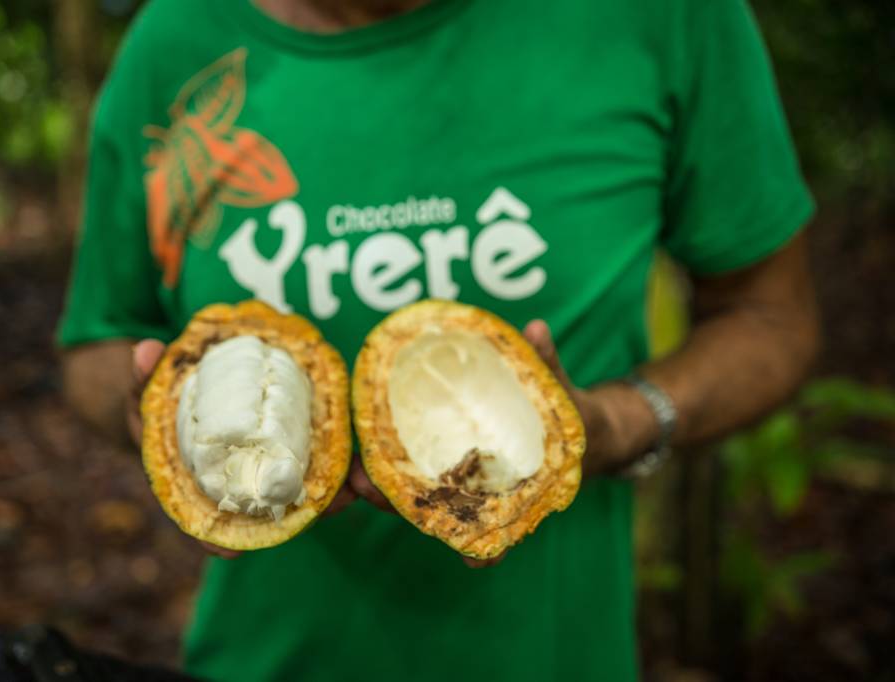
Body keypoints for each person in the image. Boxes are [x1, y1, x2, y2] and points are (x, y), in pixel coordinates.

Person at [58, 0, 820, 679]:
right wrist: (147, 410)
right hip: (266, 656)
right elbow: (97, 343)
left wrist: (621, 421)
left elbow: (771, 317)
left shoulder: (663, 16)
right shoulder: (176, 43)